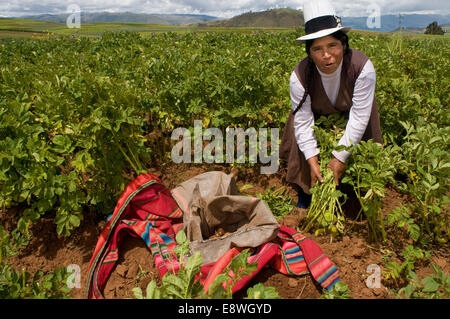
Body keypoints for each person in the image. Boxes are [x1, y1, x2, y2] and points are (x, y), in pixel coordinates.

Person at [280, 0, 383, 208]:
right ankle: (305, 193)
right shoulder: (300, 75)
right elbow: (303, 122)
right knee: (297, 123)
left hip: (352, 116)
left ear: (343, 45)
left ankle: (356, 194)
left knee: (366, 125)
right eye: (317, 49)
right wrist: (312, 159)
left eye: (332, 45)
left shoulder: (362, 67)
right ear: (309, 53)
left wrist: (339, 158)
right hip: (314, 118)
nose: (326, 55)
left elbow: (360, 116)